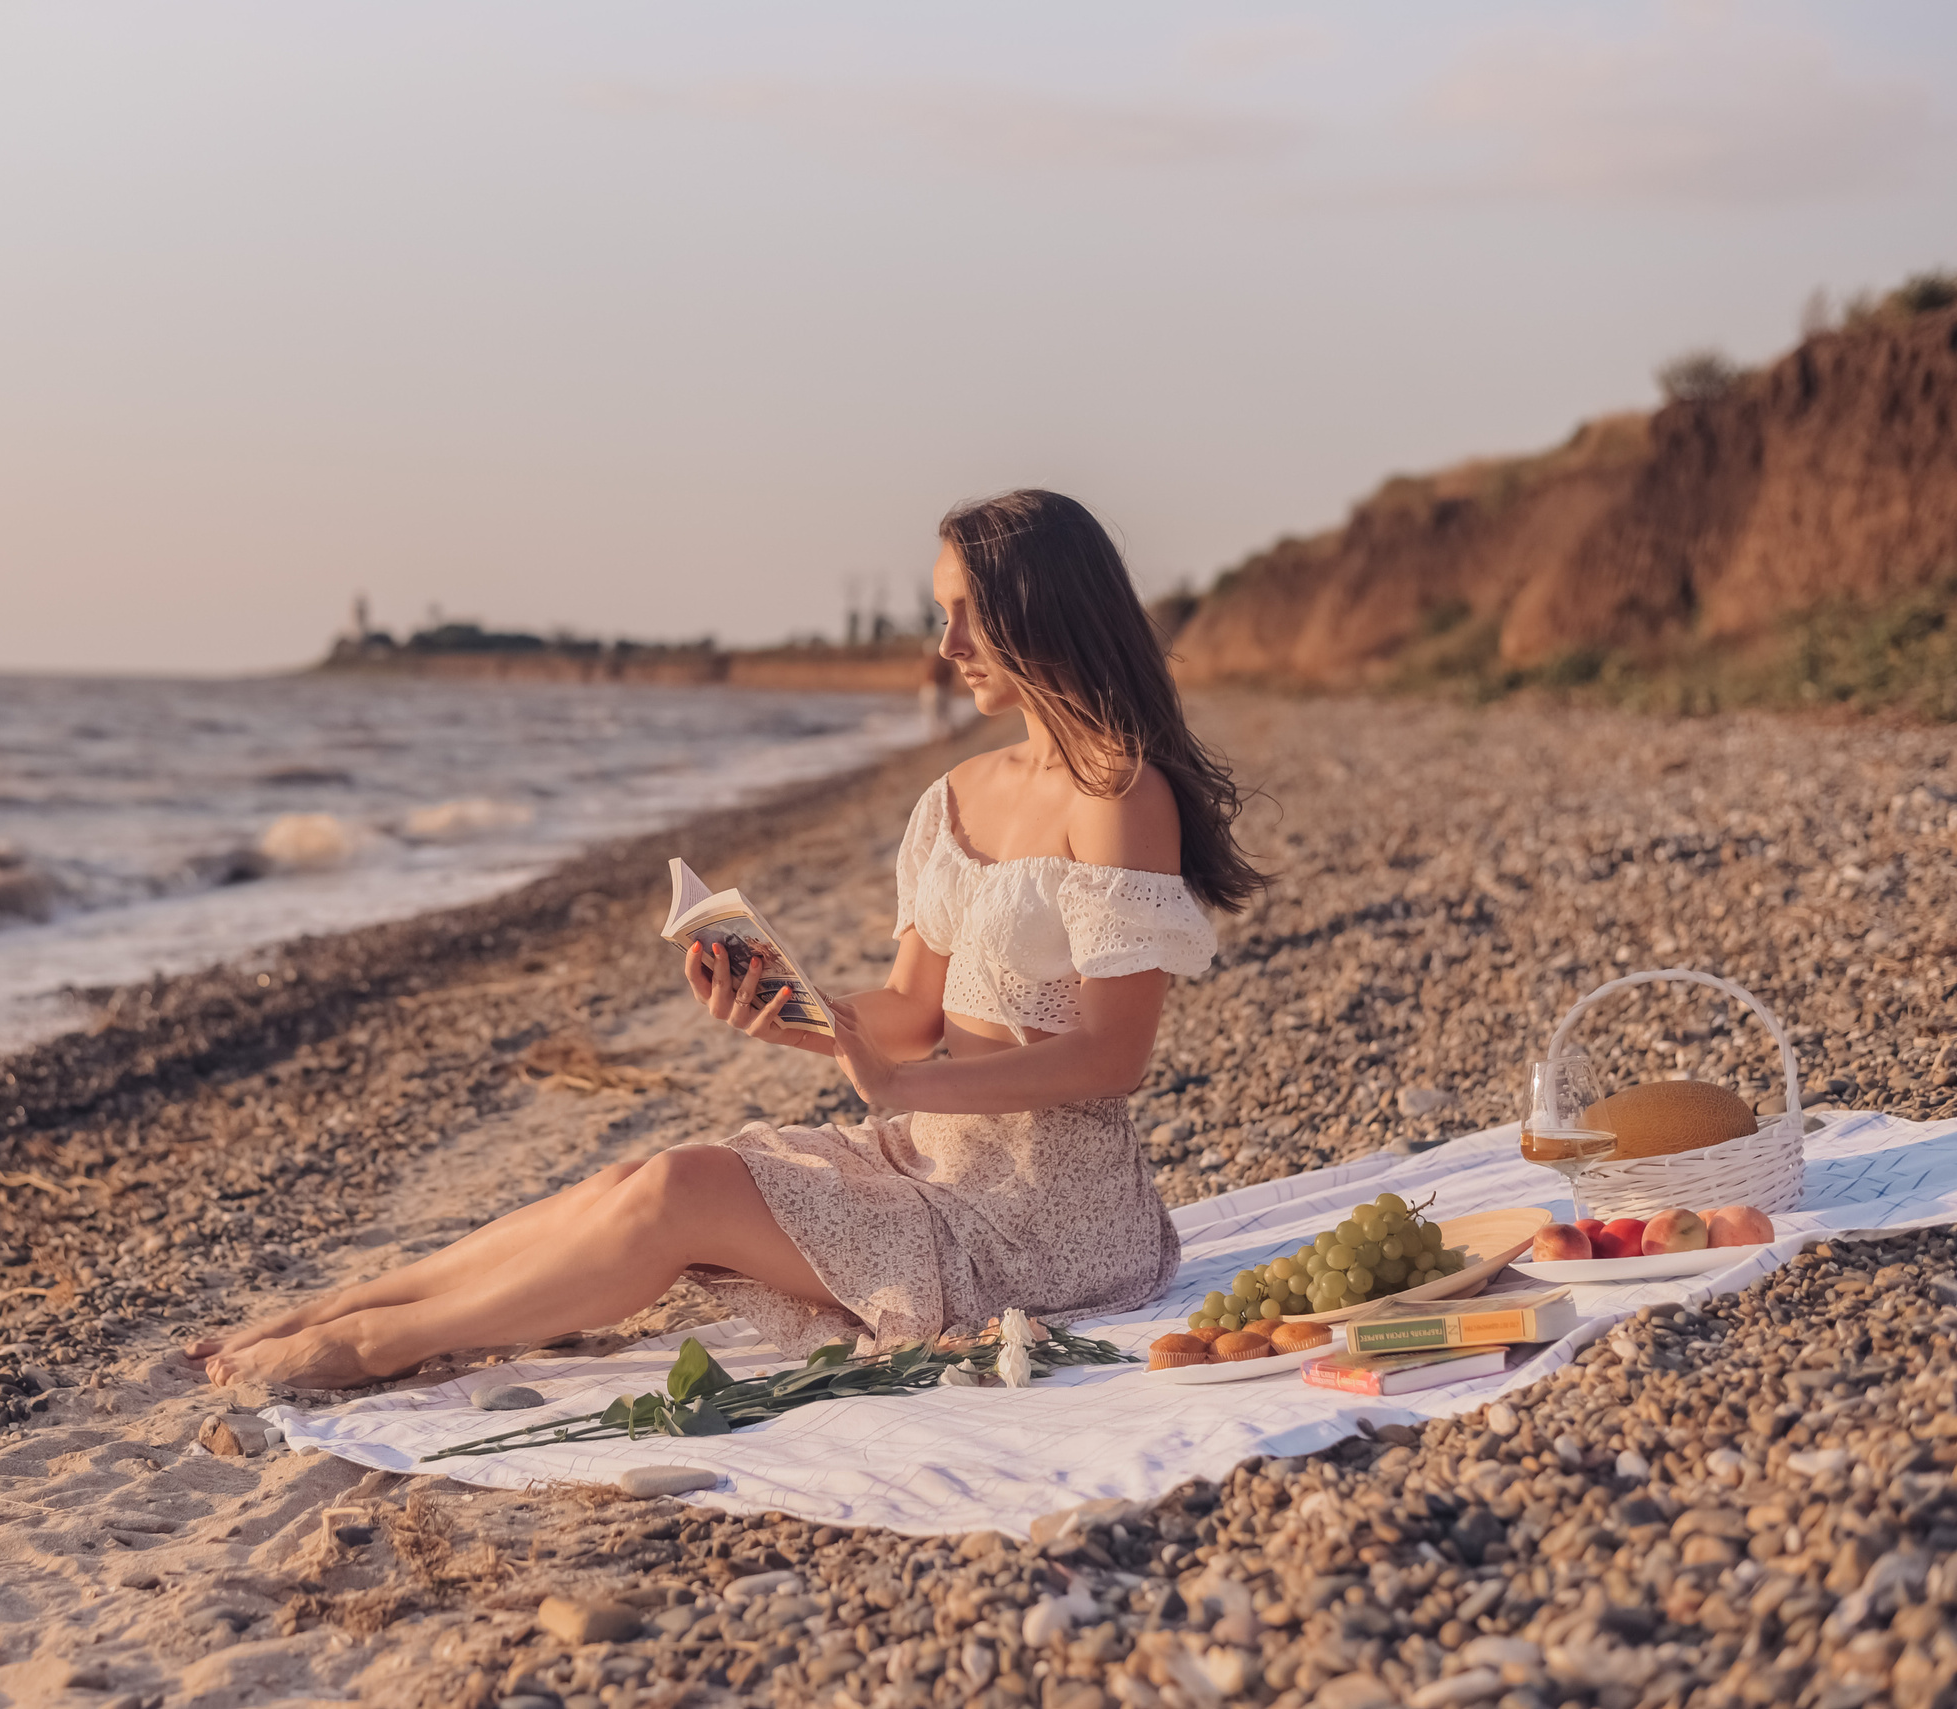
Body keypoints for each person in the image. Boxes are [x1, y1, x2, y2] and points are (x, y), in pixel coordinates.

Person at [187, 490, 1268, 1388]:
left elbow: (1110, 1057)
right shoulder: (955, 795)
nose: (945, 647)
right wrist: (789, 1007)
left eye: (964, 616)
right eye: (939, 615)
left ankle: (377, 1345)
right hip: (925, 1157)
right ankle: (353, 1297)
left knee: (678, 1197)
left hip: (1048, 1221)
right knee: (641, 1171)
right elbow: (910, 1011)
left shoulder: (1117, 797)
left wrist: (897, 1087)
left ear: (1040, 611)